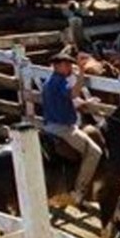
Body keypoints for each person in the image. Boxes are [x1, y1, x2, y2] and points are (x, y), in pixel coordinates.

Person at [41, 49, 102, 208]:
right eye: (67, 65)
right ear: (58, 66)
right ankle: (79, 191)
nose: (69, 68)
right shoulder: (60, 82)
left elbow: (68, 101)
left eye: (70, 65)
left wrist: (85, 104)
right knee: (95, 152)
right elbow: (74, 93)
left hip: (49, 126)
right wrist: (81, 71)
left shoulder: (48, 82)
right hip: (64, 129)